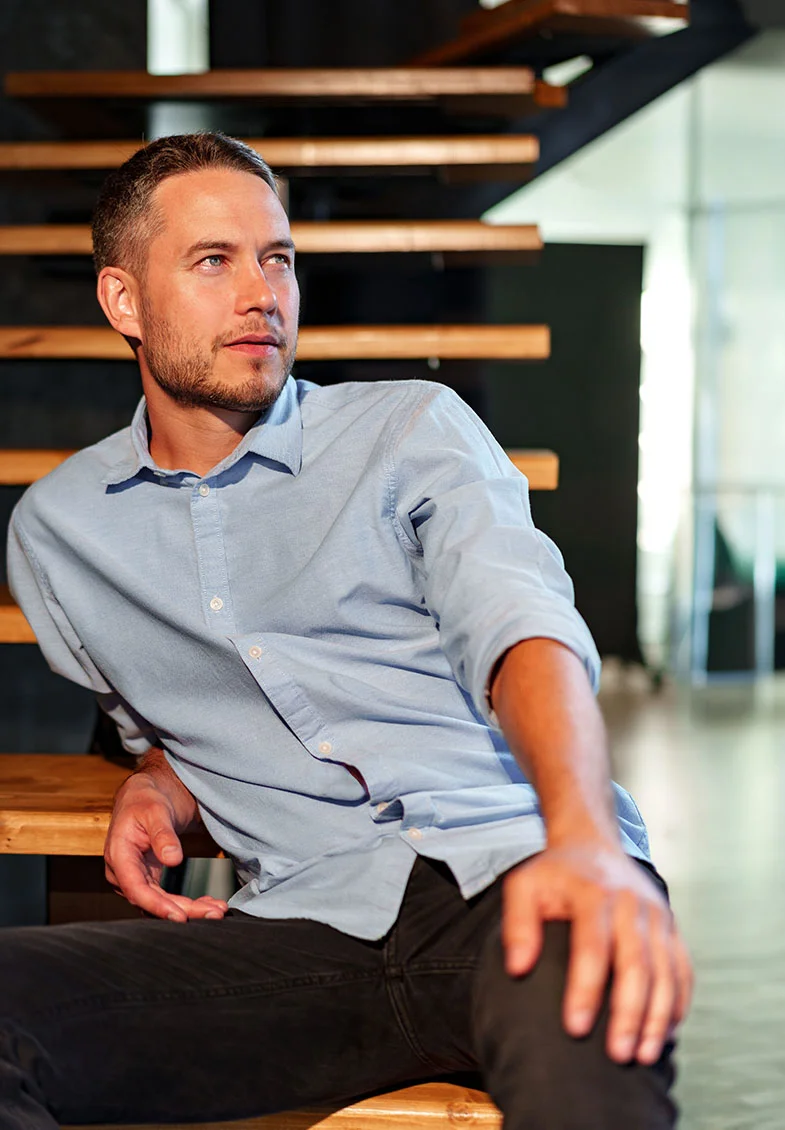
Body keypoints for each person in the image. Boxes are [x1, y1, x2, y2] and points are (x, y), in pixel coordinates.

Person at [0, 132, 691, 1130]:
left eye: (276, 257)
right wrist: (160, 772)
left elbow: (523, 631)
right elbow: (173, 706)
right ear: (123, 302)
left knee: (588, 1043)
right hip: (291, 929)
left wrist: (586, 842)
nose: (261, 293)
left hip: (507, 880)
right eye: (213, 260)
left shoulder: (409, 427)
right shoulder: (61, 533)